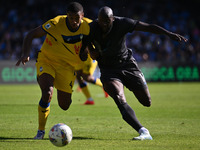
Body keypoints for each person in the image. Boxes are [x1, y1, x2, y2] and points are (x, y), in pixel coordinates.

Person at [80, 6, 188, 140]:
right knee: (118, 96)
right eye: (101, 21)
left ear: (113, 19)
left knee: (146, 102)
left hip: (127, 65)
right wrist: (90, 51)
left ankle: (131, 85)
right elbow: (82, 53)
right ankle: (143, 131)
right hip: (108, 69)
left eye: (107, 21)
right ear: (98, 19)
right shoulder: (90, 28)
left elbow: (148, 27)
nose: (104, 24)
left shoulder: (123, 23)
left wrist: (168, 34)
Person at [16, 2, 92, 139]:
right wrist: (25, 53)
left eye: (77, 18)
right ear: (67, 15)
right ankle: (40, 131)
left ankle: (53, 93)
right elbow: (31, 34)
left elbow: (100, 39)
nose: (74, 21)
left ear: (82, 16)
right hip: (47, 61)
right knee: (47, 92)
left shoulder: (89, 26)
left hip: (67, 67)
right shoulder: (56, 22)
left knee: (65, 105)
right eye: (70, 17)